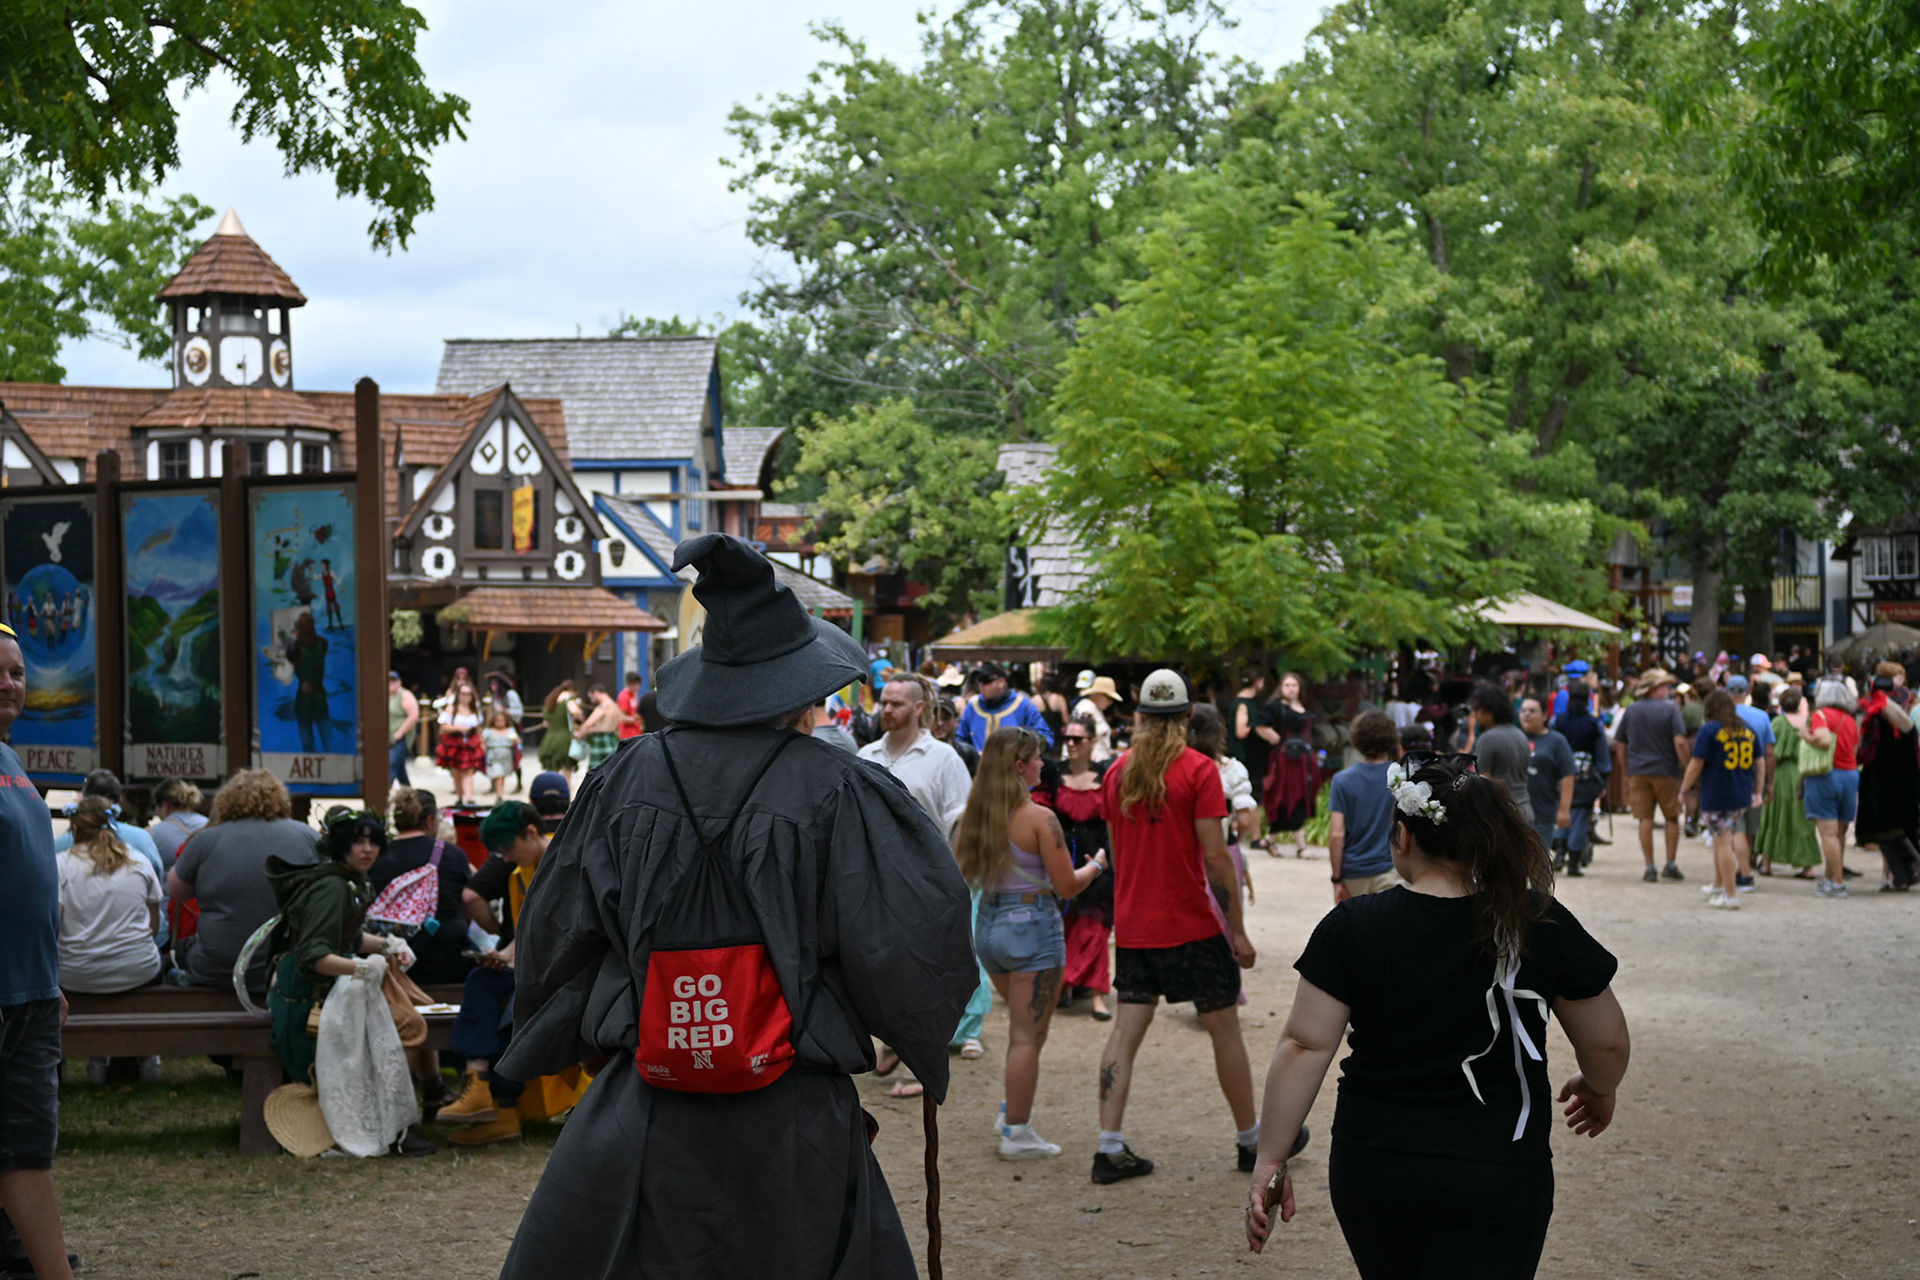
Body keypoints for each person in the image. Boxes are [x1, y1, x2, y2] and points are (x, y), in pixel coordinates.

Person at [492, 534, 976, 1278]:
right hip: (793, 1112)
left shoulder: (626, 777)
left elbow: (556, 930)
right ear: (800, 691)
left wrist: (570, 1029)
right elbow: (918, 930)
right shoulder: (840, 788)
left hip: (642, 1101)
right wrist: (903, 1028)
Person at [1244, 754, 1630, 1278]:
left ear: (1402, 836)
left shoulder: (1352, 926)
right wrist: (1599, 1085)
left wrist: (1271, 1157)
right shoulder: (1535, 919)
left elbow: (1304, 1046)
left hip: (1376, 1160)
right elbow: (1605, 1042)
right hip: (1498, 1165)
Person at [1094, 669, 1294, 1185]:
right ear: (1186, 716)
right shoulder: (1200, 771)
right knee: (1224, 1029)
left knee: (1124, 1031)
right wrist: (1239, 931)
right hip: (1192, 925)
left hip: (1136, 926)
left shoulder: (1117, 773)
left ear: (1138, 716)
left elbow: (1116, 856)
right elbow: (1217, 860)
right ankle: (1250, 1141)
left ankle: (1108, 1147)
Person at [954, 727, 1109, 1159]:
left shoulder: (977, 815)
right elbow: (1066, 884)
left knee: (1027, 1032)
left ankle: (1012, 1111)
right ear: (1020, 765)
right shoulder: (1040, 818)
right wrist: (1095, 866)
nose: (1045, 764)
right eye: (1038, 757)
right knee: (1026, 1036)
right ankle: (1017, 1132)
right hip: (1032, 929)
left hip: (989, 927)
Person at [264, 810, 431, 1157]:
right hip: (307, 994)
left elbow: (346, 940)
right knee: (408, 1026)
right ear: (341, 846)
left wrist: (386, 946)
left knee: (410, 1019)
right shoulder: (333, 886)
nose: (367, 849)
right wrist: (361, 971)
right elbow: (314, 955)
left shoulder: (350, 879)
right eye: (358, 841)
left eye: (372, 841)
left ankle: (394, 1124)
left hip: (327, 983)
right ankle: (395, 1128)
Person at [858, 673, 983, 1075]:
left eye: (896, 703)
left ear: (918, 709)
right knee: (882, 971)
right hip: (875, 886)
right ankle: (895, 1040)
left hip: (928, 887)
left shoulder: (943, 758)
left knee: (925, 974)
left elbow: (961, 824)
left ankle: (918, 1062)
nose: (886, 709)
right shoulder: (866, 756)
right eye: (884, 702)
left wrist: (955, 886)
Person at [0, 624, 77, 1279]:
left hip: (29, 995)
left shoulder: (13, 761)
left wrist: (51, 978)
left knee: (26, 1151)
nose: (8, 684)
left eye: (16, 672)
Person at [433, 801, 549, 1147]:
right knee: (482, 980)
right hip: (533, 968)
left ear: (530, 832)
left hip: (567, 974)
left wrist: (516, 958)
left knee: (517, 1003)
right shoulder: (521, 871)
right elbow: (528, 929)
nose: (508, 858)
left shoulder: (566, 860)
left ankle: (501, 1103)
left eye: (509, 849)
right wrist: (504, 955)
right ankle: (480, 1084)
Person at [168, 770, 320, 991]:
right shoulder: (308, 837)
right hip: (287, 966)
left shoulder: (205, 839)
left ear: (225, 801)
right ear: (280, 799)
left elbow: (176, 891)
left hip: (216, 967)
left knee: (184, 950)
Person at [373, 788, 475, 987]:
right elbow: (467, 904)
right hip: (448, 961)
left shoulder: (376, 856)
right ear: (430, 820)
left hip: (394, 963)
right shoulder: (451, 854)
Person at [1055, 714, 1114, 1019]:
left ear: (1093, 742)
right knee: (1066, 925)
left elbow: (1113, 820)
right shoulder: (1054, 774)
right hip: (1062, 859)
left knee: (1096, 927)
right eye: (1068, 739)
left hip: (1102, 861)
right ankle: (1064, 986)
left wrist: (1105, 857)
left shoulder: (1106, 775)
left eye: (1078, 739)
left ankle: (1097, 995)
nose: (1072, 745)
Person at [1680, 690, 1760, 910]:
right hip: (1741, 792)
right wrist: (1758, 790)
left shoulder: (1710, 730)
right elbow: (1760, 760)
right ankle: (1718, 884)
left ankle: (1730, 893)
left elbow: (1696, 763)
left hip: (1718, 793)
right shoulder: (1746, 728)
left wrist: (1685, 788)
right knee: (1720, 838)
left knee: (1723, 842)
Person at [1613, 668, 1690, 883]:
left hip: (1638, 770)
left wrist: (1627, 769)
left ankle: (1649, 866)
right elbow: (1680, 741)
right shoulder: (1671, 710)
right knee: (1672, 817)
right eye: (1665, 686)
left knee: (1644, 819)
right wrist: (1688, 767)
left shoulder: (1631, 710)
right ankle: (1670, 863)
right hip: (1667, 770)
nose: (1668, 690)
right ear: (1656, 689)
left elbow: (1621, 745)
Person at [1854, 662, 1920, 891]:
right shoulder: (1905, 720)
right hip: (1906, 781)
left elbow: (1864, 753)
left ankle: (1904, 874)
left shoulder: (1874, 718)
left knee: (1886, 833)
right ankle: (1905, 872)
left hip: (1882, 783)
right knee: (1903, 829)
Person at [1327, 711, 1403, 900]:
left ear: (1356, 738)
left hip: (1354, 873)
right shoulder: (1400, 777)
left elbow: (1336, 834)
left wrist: (1337, 879)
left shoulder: (1342, 780)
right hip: (1391, 870)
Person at [1802, 677, 1862, 898]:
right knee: (1840, 833)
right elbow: (1855, 751)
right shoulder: (1849, 719)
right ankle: (1830, 878)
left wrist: (1805, 735)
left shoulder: (1820, 716)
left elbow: (1823, 740)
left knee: (1827, 833)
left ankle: (1837, 882)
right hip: (1850, 775)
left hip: (1826, 775)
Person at [1755, 685, 1823, 878]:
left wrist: (1770, 781)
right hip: (1803, 773)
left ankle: (1766, 863)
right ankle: (1807, 866)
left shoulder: (1778, 723)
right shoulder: (1808, 723)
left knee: (1774, 815)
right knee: (1802, 818)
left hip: (1782, 772)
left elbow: (1771, 753)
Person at [53, 769, 163, 883]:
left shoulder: (62, 842)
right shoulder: (141, 838)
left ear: (84, 800)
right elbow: (155, 876)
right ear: (120, 801)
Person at [1256, 673, 1320, 857]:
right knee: (1291, 796)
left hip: (1304, 761)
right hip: (1286, 761)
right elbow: (1259, 725)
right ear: (1281, 688)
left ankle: (1269, 839)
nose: (1291, 688)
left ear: (1299, 687)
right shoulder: (1276, 708)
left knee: (1295, 796)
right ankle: (1301, 847)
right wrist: (1275, 738)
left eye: (1294, 685)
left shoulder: (1303, 707)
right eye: (1287, 685)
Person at [1551, 687, 1611, 876]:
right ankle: (1574, 862)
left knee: (1561, 811)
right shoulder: (1593, 724)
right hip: (1585, 775)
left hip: (1560, 774)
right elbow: (1602, 753)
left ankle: (1559, 853)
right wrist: (1603, 779)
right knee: (1581, 816)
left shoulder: (1557, 721)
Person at [1725, 675, 1777, 892]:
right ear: (1746, 693)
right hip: (1755, 776)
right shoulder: (1762, 716)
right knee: (1749, 826)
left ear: (1728, 693)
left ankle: (1743, 870)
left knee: (1736, 827)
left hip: (1729, 776)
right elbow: (1769, 752)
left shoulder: (1721, 716)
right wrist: (1769, 782)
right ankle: (1744, 865)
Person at [1518, 697, 1575, 866]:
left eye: (1532, 711)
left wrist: (1564, 809)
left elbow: (1568, 775)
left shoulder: (1556, 741)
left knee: (1538, 862)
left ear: (1544, 715)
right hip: (1515, 810)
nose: (1526, 715)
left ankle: (1539, 893)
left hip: (1544, 810)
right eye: (1523, 711)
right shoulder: (1515, 737)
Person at [1469, 685, 1534, 825]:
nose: (1475, 715)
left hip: (1501, 815)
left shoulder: (1488, 739)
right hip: (1524, 810)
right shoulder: (1520, 735)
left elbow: (1482, 783)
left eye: (1477, 710)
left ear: (1489, 712)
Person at [958, 661, 1055, 751]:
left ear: (1001, 682)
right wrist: (972, 755)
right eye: (979, 680)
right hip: (980, 768)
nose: (981, 685)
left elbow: (1046, 737)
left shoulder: (1022, 705)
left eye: (986, 680)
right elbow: (960, 740)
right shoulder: (973, 707)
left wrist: (1023, 749)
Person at [1231, 669, 1271, 845]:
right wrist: (1257, 727)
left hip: (1249, 756)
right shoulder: (1243, 704)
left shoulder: (1244, 702)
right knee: (1254, 796)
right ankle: (1255, 837)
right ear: (1258, 682)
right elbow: (1240, 731)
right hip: (1247, 756)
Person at [436, 679, 485, 804]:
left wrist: (482, 743)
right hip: (455, 742)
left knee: (468, 770)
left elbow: (479, 728)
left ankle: (469, 797)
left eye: (468, 694)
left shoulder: (475, 709)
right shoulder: (451, 709)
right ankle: (460, 796)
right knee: (456, 771)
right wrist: (458, 728)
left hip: (470, 742)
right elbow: (443, 727)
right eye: (463, 694)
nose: (465, 697)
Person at [146, 777, 206, 869]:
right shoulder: (210, 824)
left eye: (155, 806)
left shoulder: (151, 834)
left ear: (165, 806)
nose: (156, 812)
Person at [1072, 674, 1122, 763]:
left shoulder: (1095, 709)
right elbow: (1080, 740)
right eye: (1109, 698)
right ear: (1098, 695)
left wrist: (1109, 752)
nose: (1111, 702)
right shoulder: (1086, 708)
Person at [573, 684, 625, 770]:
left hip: (601, 740)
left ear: (596, 693)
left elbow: (589, 723)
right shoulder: (614, 705)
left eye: (591, 697)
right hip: (612, 738)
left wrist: (580, 733)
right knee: (612, 767)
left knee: (597, 770)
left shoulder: (603, 707)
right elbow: (622, 719)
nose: (592, 701)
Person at [537, 679, 581, 777]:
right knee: (566, 771)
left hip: (550, 738)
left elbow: (546, 724)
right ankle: (565, 791)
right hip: (564, 738)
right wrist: (578, 723)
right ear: (571, 689)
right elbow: (576, 712)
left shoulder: (550, 701)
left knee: (552, 772)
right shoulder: (569, 699)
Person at [388, 671, 420, 786]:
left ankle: (384, 793)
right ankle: (409, 794)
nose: (390, 683)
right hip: (389, 737)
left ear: (399, 682)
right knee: (400, 770)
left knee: (391, 765)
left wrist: (400, 732)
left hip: (401, 737)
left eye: (393, 680)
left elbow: (413, 716)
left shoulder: (405, 695)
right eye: (388, 680)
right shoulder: (385, 695)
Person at [482, 708, 521, 803]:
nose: (499, 723)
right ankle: (499, 796)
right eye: (497, 721)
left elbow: (518, 743)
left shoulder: (510, 730)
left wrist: (517, 743)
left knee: (502, 776)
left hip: (506, 756)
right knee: (498, 775)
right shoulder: (489, 731)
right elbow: (482, 741)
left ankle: (500, 793)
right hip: (493, 756)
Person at [935, 696, 980, 774]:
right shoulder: (920, 754)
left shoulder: (968, 754)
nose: (940, 723)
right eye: (936, 718)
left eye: (945, 718)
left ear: (956, 722)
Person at [616, 671, 645, 741]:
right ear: (628, 684)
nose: (637, 687)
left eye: (638, 685)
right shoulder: (624, 697)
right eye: (635, 685)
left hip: (636, 732)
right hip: (628, 734)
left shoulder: (634, 694)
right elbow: (621, 717)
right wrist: (636, 719)